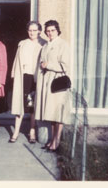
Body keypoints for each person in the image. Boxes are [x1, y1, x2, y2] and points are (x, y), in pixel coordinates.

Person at [35, 20, 71, 152]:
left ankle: (56, 142)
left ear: (58, 31)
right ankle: (51, 140)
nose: (50, 33)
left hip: (57, 82)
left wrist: (48, 65)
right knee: (50, 113)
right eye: (48, 31)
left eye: (52, 30)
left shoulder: (63, 45)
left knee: (57, 114)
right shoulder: (45, 46)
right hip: (46, 81)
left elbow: (65, 66)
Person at [9, 21, 46, 143]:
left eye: (35, 30)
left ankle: (32, 131)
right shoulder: (22, 44)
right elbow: (16, 60)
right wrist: (14, 72)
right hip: (23, 76)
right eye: (30, 30)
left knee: (33, 105)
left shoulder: (44, 44)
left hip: (37, 78)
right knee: (20, 103)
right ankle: (16, 132)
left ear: (39, 31)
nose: (32, 32)